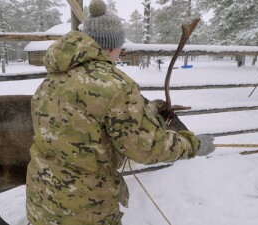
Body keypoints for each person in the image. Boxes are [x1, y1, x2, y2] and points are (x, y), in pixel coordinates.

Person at [26, 0, 215, 224]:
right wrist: (194, 145)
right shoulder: (116, 85)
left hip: (42, 198)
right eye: (120, 46)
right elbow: (146, 148)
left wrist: (149, 109)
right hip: (85, 209)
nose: (121, 52)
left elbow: (87, 118)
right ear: (110, 46)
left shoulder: (54, 77)